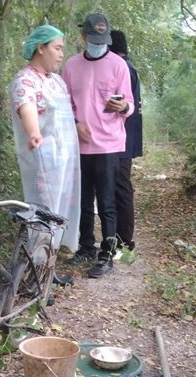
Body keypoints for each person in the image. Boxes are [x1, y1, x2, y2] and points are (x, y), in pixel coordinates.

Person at [61, 13, 134, 278]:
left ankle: (107, 253)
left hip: (109, 145)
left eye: (103, 39)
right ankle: (86, 246)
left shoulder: (118, 65)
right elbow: (65, 104)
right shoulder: (71, 66)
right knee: (82, 201)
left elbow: (130, 105)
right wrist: (74, 122)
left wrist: (123, 106)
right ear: (83, 37)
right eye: (93, 39)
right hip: (80, 145)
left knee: (107, 202)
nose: (98, 43)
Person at [9, 24, 80, 282]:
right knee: (41, 218)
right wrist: (33, 132)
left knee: (57, 216)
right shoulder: (24, 80)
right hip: (41, 163)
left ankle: (48, 270)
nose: (62, 54)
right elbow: (25, 106)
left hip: (62, 164)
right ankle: (36, 277)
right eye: (57, 48)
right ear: (41, 48)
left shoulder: (57, 82)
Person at [108, 30, 143, 254]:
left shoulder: (122, 69)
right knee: (118, 188)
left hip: (122, 140)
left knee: (121, 188)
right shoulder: (127, 67)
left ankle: (124, 242)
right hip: (123, 140)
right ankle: (119, 239)